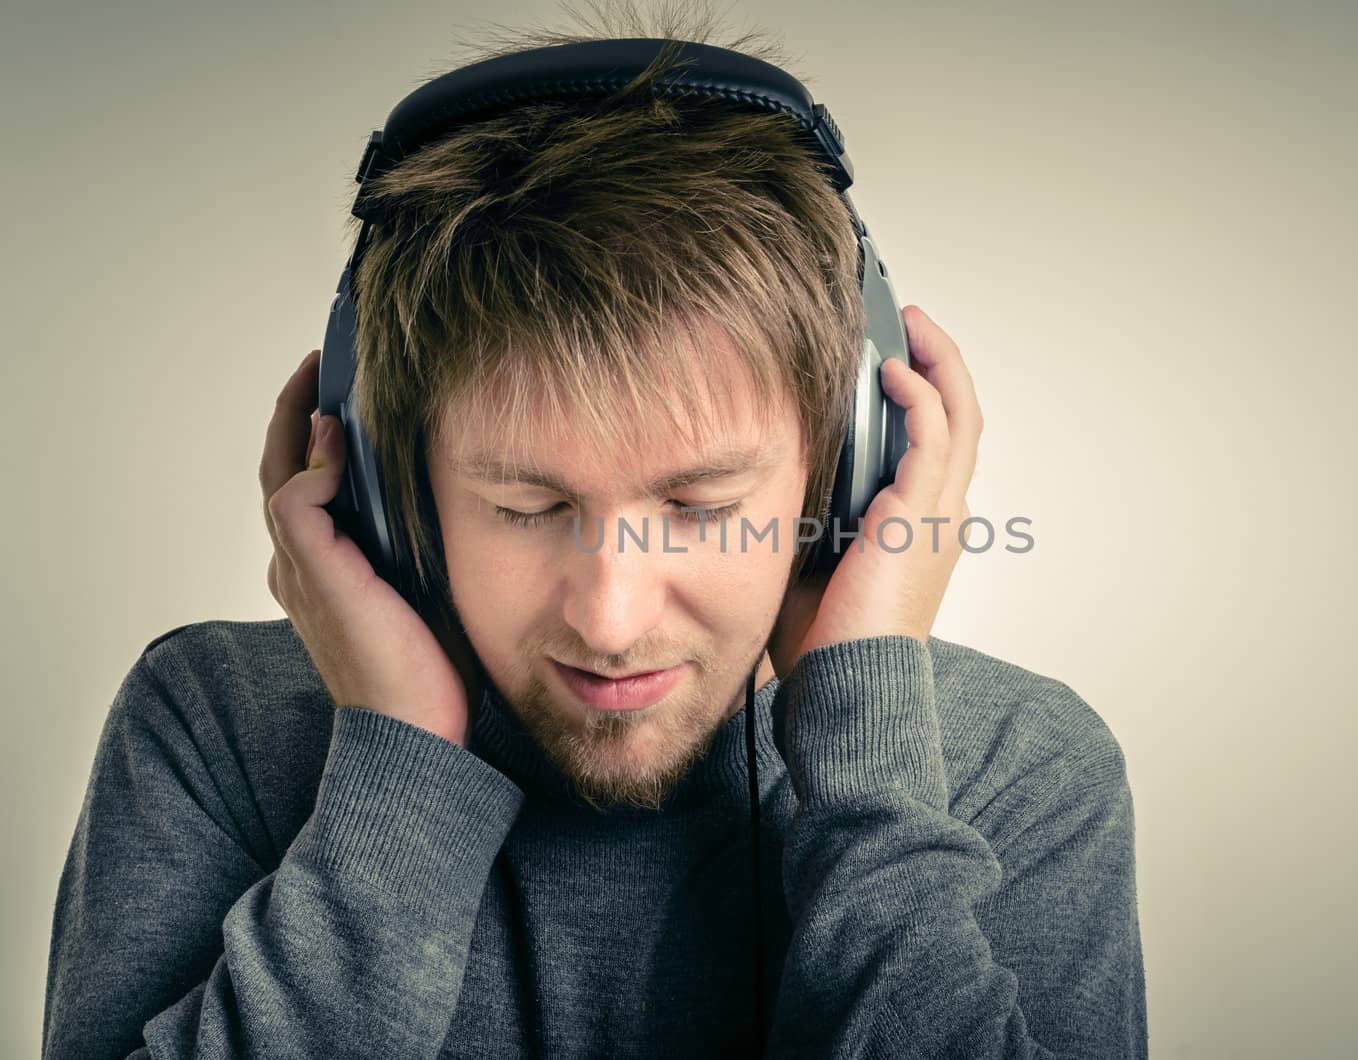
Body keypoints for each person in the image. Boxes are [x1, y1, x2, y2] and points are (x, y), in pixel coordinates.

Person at [42, 14, 1147, 1060]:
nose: (610, 620)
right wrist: (399, 768)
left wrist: (866, 778)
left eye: (704, 504)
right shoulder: (213, 730)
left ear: (851, 464)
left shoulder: (1016, 765)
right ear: (388, 489)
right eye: (526, 510)